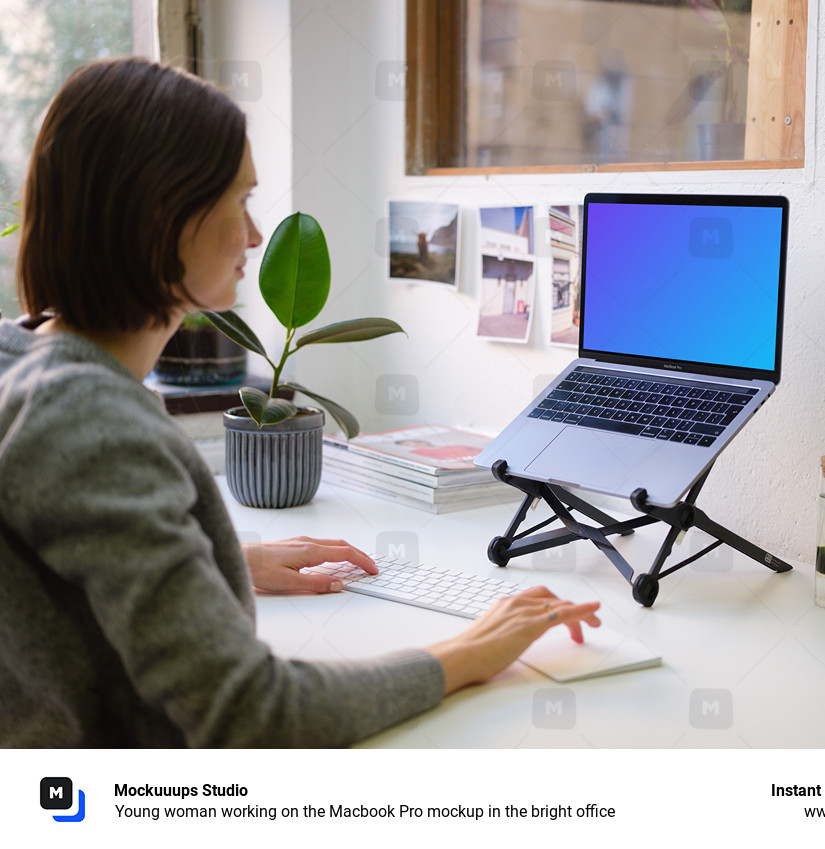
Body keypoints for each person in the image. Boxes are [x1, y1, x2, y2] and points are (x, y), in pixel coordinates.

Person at [0, 57, 600, 748]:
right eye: (240, 201)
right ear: (164, 216)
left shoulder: (23, 362)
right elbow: (257, 714)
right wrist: (466, 653)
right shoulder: (89, 420)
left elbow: (53, 559)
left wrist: (209, 565)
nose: (255, 236)